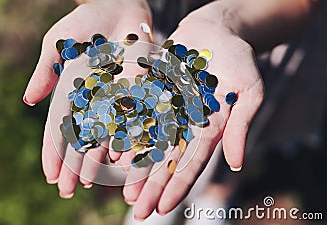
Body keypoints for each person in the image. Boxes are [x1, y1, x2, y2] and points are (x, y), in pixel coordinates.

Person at [23, 0, 321, 222]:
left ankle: (216, 200)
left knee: (239, 131)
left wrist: (226, 21)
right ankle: (156, 205)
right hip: (147, 29)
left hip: (258, 20)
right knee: (166, 141)